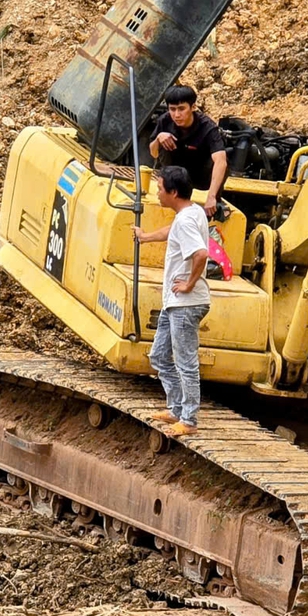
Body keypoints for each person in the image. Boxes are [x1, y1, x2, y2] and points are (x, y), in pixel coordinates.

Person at [132, 165, 212, 436]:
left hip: (186, 304)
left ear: (173, 192)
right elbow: (172, 231)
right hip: (174, 302)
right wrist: (145, 238)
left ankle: (188, 420)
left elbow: (200, 254)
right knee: (159, 355)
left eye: (160, 188)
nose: (156, 192)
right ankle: (176, 407)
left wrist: (189, 283)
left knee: (185, 361)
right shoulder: (191, 212)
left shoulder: (187, 219)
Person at [148, 84, 229, 219]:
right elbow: (153, 153)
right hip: (177, 173)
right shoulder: (165, 121)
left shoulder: (208, 127)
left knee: (222, 161)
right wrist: (158, 138)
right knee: (164, 141)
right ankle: (169, 191)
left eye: (181, 109)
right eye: (172, 109)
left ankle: (216, 201)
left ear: (193, 107)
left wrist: (211, 196)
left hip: (200, 175)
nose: (177, 115)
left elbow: (221, 161)